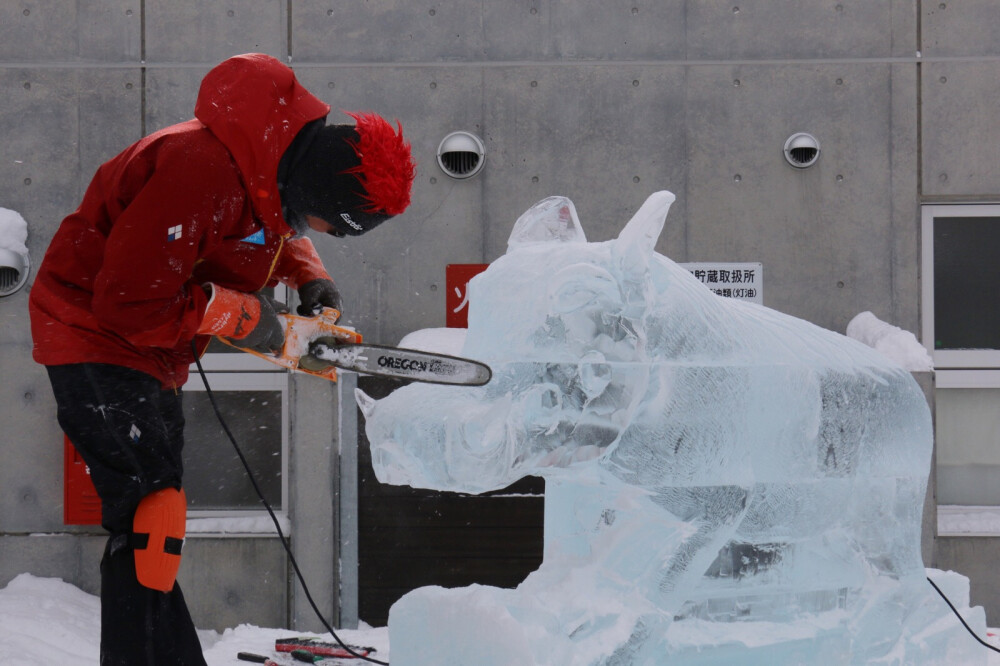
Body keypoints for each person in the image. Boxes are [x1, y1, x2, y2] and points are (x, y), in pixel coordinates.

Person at [28, 52, 415, 665]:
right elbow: (128, 302)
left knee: (155, 519)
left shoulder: (263, 162)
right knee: (150, 519)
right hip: (95, 337)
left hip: (151, 353)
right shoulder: (198, 168)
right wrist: (237, 316)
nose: (327, 235)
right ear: (314, 188)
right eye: (332, 226)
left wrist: (307, 275)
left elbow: (263, 228)